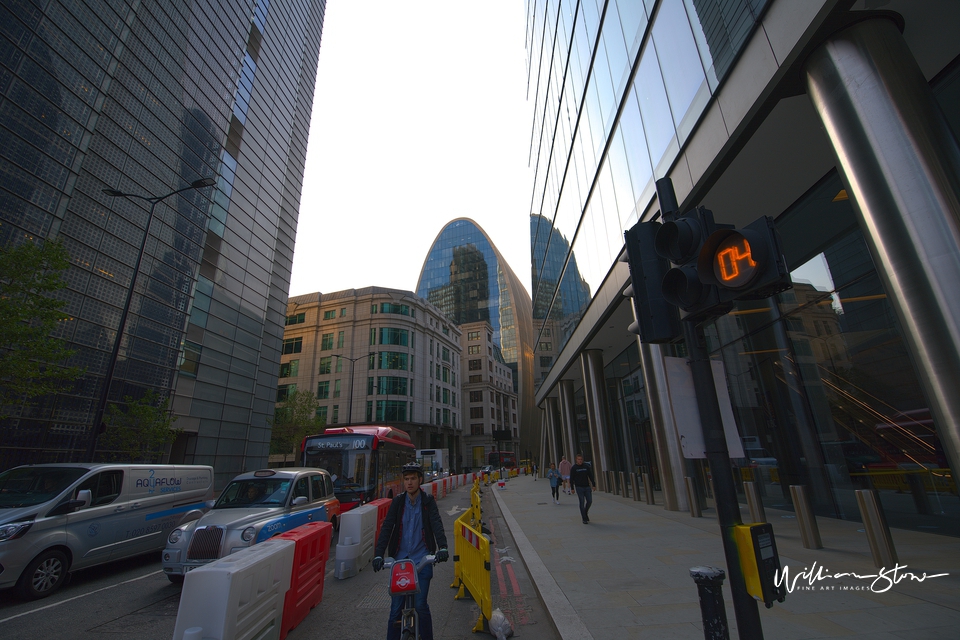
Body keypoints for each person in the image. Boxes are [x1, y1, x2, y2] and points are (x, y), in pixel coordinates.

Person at [372, 462, 449, 640]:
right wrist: (378, 554)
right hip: (400, 562)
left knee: (421, 605)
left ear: (420, 479)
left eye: (413, 478)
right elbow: (387, 528)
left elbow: (436, 524)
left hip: (422, 559)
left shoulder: (428, 501)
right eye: (406, 479)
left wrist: (443, 547)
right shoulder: (398, 502)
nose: (409, 482)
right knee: (395, 610)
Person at [569, 454, 596, 524]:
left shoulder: (586, 467)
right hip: (579, 487)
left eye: (581, 459)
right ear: (576, 460)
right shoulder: (574, 468)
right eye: (578, 459)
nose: (580, 461)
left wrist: (594, 484)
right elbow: (571, 478)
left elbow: (590, 475)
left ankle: (585, 512)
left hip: (587, 486)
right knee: (582, 502)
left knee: (589, 501)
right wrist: (572, 488)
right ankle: (584, 518)